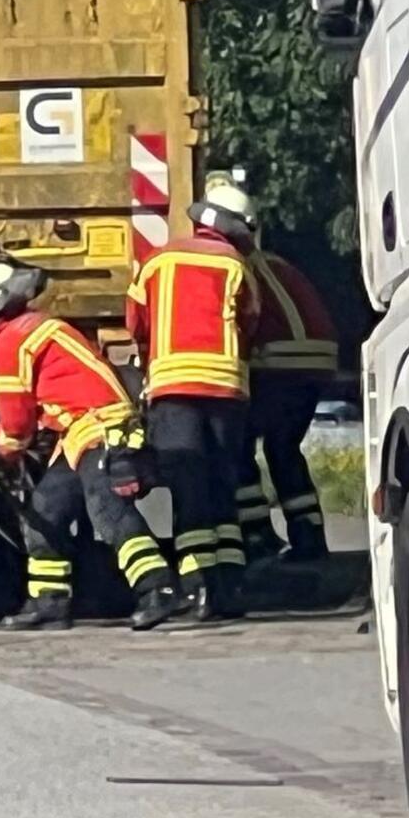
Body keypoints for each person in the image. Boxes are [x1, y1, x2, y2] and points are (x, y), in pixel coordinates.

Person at [0, 256, 182, 631]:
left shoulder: (10, 341)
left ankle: (158, 590)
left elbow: (18, 420)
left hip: (98, 431)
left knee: (109, 513)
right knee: (46, 509)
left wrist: (4, 456)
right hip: (82, 434)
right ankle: (48, 601)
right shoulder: (37, 327)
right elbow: (26, 413)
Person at [127, 181, 261, 621]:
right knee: (222, 484)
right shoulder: (236, 265)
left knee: (188, 488)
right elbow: (251, 321)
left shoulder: (156, 260)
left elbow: (136, 322)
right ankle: (229, 585)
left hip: (173, 390)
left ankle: (196, 587)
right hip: (226, 392)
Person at [238, 247, 340, 562]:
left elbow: (245, 318)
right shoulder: (277, 263)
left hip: (275, 364)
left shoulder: (235, 266)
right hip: (318, 363)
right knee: (283, 448)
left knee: (238, 448)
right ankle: (309, 535)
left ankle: (257, 534)